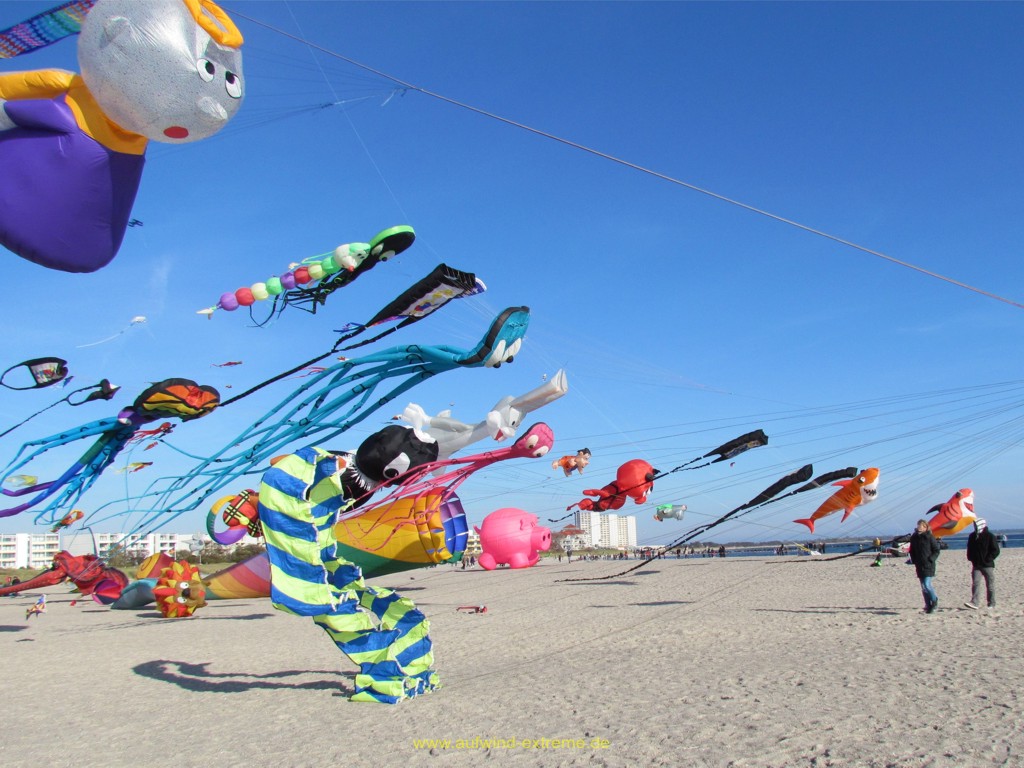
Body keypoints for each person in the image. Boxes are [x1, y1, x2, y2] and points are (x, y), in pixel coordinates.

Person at [964, 518, 999, 610]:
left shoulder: (990, 536)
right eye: (974, 525)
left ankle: (991, 603)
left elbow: (996, 550)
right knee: (975, 583)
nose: (975, 526)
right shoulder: (972, 536)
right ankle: (974, 602)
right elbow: (969, 548)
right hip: (976, 565)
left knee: (990, 585)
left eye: (976, 525)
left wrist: (988, 559)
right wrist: (970, 557)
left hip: (987, 565)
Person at [909, 519, 941, 613]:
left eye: (922, 526)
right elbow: (912, 550)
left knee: (927, 585)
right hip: (919, 564)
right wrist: (914, 560)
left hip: (928, 564)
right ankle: (928, 605)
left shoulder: (929, 537)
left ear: (926, 527)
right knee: (923, 587)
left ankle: (934, 600)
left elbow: (936, 550)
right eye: (919, 525)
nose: (919, 527)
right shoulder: (914, 537)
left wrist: (931, 559)